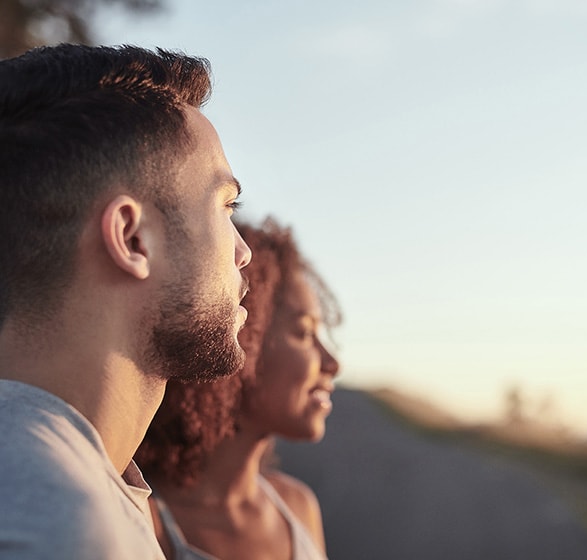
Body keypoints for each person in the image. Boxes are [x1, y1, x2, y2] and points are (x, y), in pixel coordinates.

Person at [0, 44, 252, 559]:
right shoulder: (56, 519)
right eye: (225, 206)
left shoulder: (84, 484)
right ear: (132, 238)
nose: (244, 252)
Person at [136, 217, 341, 560]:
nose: (332, 362)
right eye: (304, 333)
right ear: (243, 337)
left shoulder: (298, 508)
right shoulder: (145, 520)